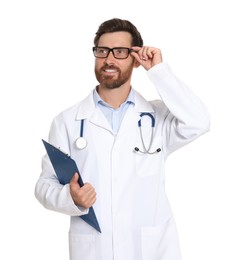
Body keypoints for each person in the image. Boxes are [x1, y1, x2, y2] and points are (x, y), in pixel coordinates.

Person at [35, 18, 210, 260]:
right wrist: (70, 198)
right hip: (94, 248)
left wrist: (158, 71)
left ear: (135, 59)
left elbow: (199, 122)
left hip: (151, 249)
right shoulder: (67, 121)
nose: (108, 59)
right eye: (102, 51)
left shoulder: (157, 118)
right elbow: (45, 184)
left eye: (119, 52)